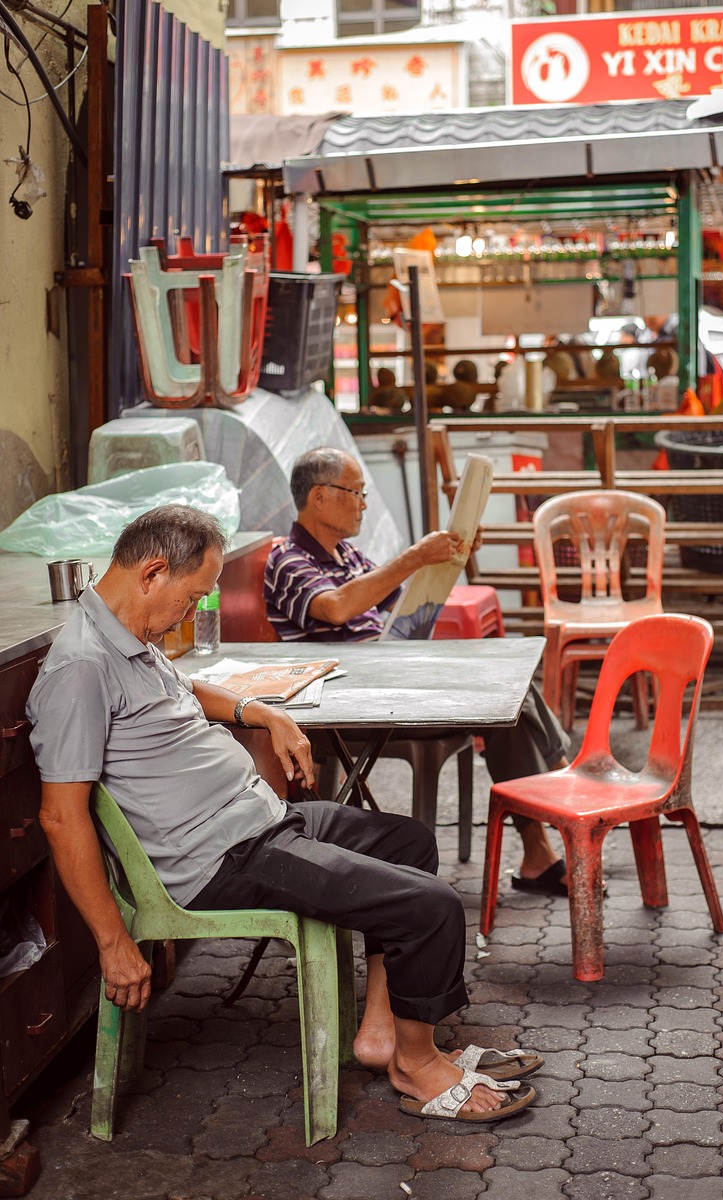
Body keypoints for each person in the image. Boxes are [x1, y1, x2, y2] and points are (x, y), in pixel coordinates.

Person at [27, 506, 537, 1124]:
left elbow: (187, 692)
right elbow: (61, 818)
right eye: (191, 598)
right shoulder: (81, 668)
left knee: (408, 842)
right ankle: (417, 1067)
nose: (192, 614)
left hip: (260, 821)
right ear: (152, 573)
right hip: (222, 858)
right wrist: (112, 942)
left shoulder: (133, 634)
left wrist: (261, 710)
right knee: (429, 907)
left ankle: (389, 1039)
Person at [265, 448, 573, 895]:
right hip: (355, 701)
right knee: (506, 695)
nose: (364, 504)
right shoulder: (289, 559)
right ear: (320, 496)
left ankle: (547, 837)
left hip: (391, 678)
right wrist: (413, 556)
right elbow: (335, 608)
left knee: (509, 694)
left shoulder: (347, 556)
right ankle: (566, 802)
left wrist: (448, 556)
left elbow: (404, 603)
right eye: (356, 493)